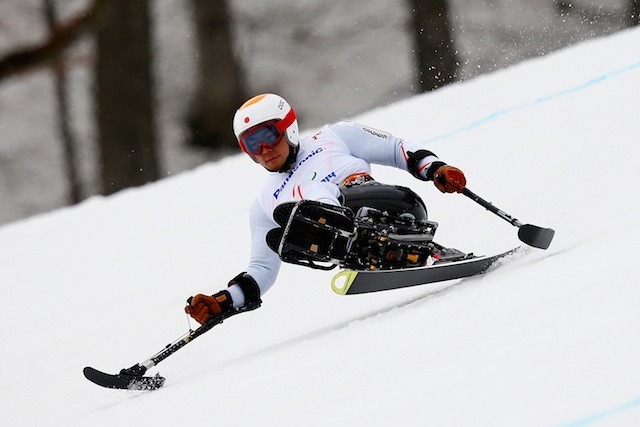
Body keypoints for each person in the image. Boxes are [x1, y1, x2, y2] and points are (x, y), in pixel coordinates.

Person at [185, 93, 466, 324]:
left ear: (288, 128)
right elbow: (261, 269)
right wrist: (223, 302)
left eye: (269, 136)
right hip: (346, 247)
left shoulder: (334, 137)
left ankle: (425, 251)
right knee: (283, 229)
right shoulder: (264, 204)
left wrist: (436, 168)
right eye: (252, 144)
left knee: (311, 199)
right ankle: (370, 250)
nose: (264, 150)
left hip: (396, 209)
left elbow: (397, 150)